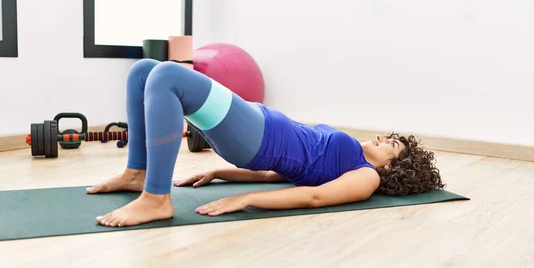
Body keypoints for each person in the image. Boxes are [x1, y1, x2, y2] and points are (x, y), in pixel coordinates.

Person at [88, 59, 444, 227]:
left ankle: (156, 198)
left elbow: (313, 196)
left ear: (391, 167)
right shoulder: (348, 160)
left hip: (254, 136)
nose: (382, 138)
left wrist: (247, 201)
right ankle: (137, 172)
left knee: (166, 75)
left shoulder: (367, 177)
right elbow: (281, 177)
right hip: (251, 132)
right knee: (143, 72)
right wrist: (222, 173)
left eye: (391, 145)